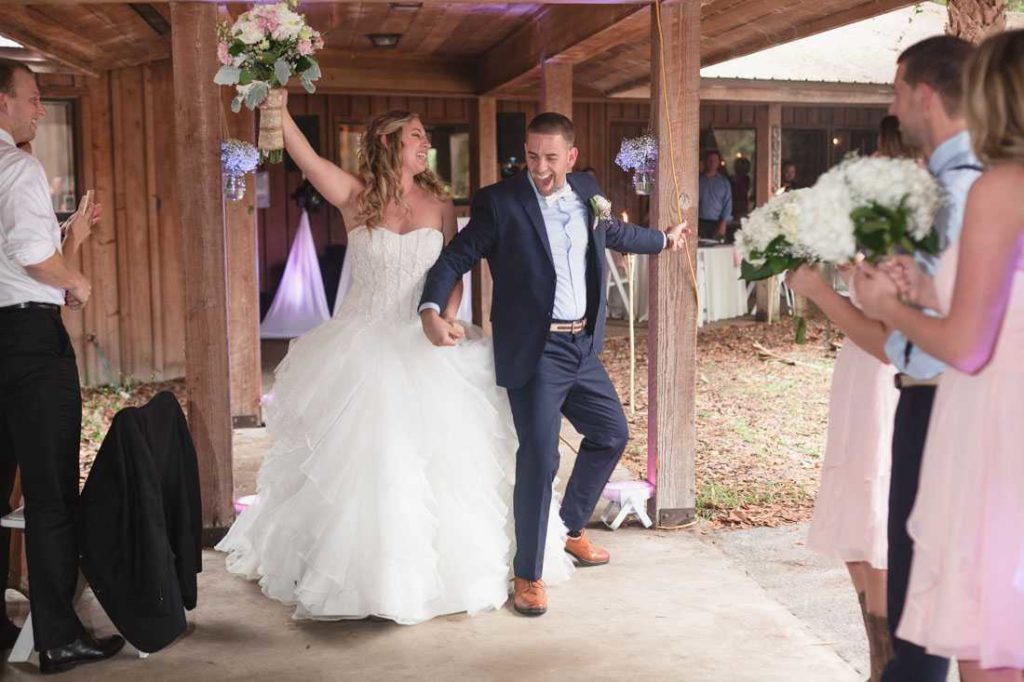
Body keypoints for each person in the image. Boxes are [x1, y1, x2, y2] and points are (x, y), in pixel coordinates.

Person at [216, 94, 574, 625]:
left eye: (425, 136)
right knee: (366, 461)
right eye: (416, 135)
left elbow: (453, 269)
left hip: (426, 340)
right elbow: (307, 158)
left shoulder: (441, 205)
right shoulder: (355, 197)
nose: (427, 142)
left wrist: (448, 316)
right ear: (388, 143)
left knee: (445, 465)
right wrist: (280, 107)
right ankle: (359, 578)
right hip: (362, 344)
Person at [418, 112, 688, 616]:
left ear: (571, 157)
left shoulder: (588, 191)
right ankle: (528, 574)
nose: (539, 167)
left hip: (581, 346)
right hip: (535, 350)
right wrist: (432, 310)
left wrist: (665, 242)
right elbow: (456, 258)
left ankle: (568, 528)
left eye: (550, 157)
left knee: (610, 433)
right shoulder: (500, 203)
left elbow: (614, 236)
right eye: (532, 155)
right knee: (541, 459)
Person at [788, 36, 978, 682]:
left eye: (897, 93)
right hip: (952, 403)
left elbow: (920, 342)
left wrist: (831, 295)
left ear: (925, 94)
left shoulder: (951, 195)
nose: (893, 109)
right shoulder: (970, 183)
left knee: (925, 625)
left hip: (939, 406)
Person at [855, 29, 1024, 682]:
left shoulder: (998, 186)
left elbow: (968, 346)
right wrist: (927, 286)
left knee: (988, 645)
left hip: (992, 429)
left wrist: (888, 306)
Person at [0, 59, 124, 673]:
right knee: (50, 494)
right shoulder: (17, 166)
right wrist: (76, 280)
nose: (39, 109)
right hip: (27, 342)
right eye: (32, 98)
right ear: (2, 104)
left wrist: (68, 239)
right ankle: (56, 636)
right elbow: (29, 257)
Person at [791, 114, 917, 681]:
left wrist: (821, 290)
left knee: (876, 512)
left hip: (885, 375)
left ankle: (888, 668)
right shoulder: (880, 218)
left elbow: (891, 331)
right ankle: (878, 662)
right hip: (855, 368)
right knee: (853, 514)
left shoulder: (922, 224)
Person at [697, 149, 731, 240]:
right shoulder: (697, 180)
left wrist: (723, 224)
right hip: (699, 222)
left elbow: (728, 204)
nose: (712, 163)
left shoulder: (724, 182)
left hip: (717, 223)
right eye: (710, 160)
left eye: (715, 160)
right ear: (705, 162)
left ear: (719, 163)